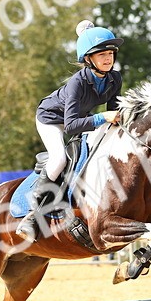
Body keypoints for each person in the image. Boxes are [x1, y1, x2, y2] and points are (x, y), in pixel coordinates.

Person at [16, 20, 124, 239]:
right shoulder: (77, 82)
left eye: (110, 53)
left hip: (78, 118)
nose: (108, 58)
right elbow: (72, 125)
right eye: (101, 54)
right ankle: (32, 215)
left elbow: (114, 115)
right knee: (59, 159)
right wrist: (103, 117)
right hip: (51, 119)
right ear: (88, 59)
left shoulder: (115, 78)